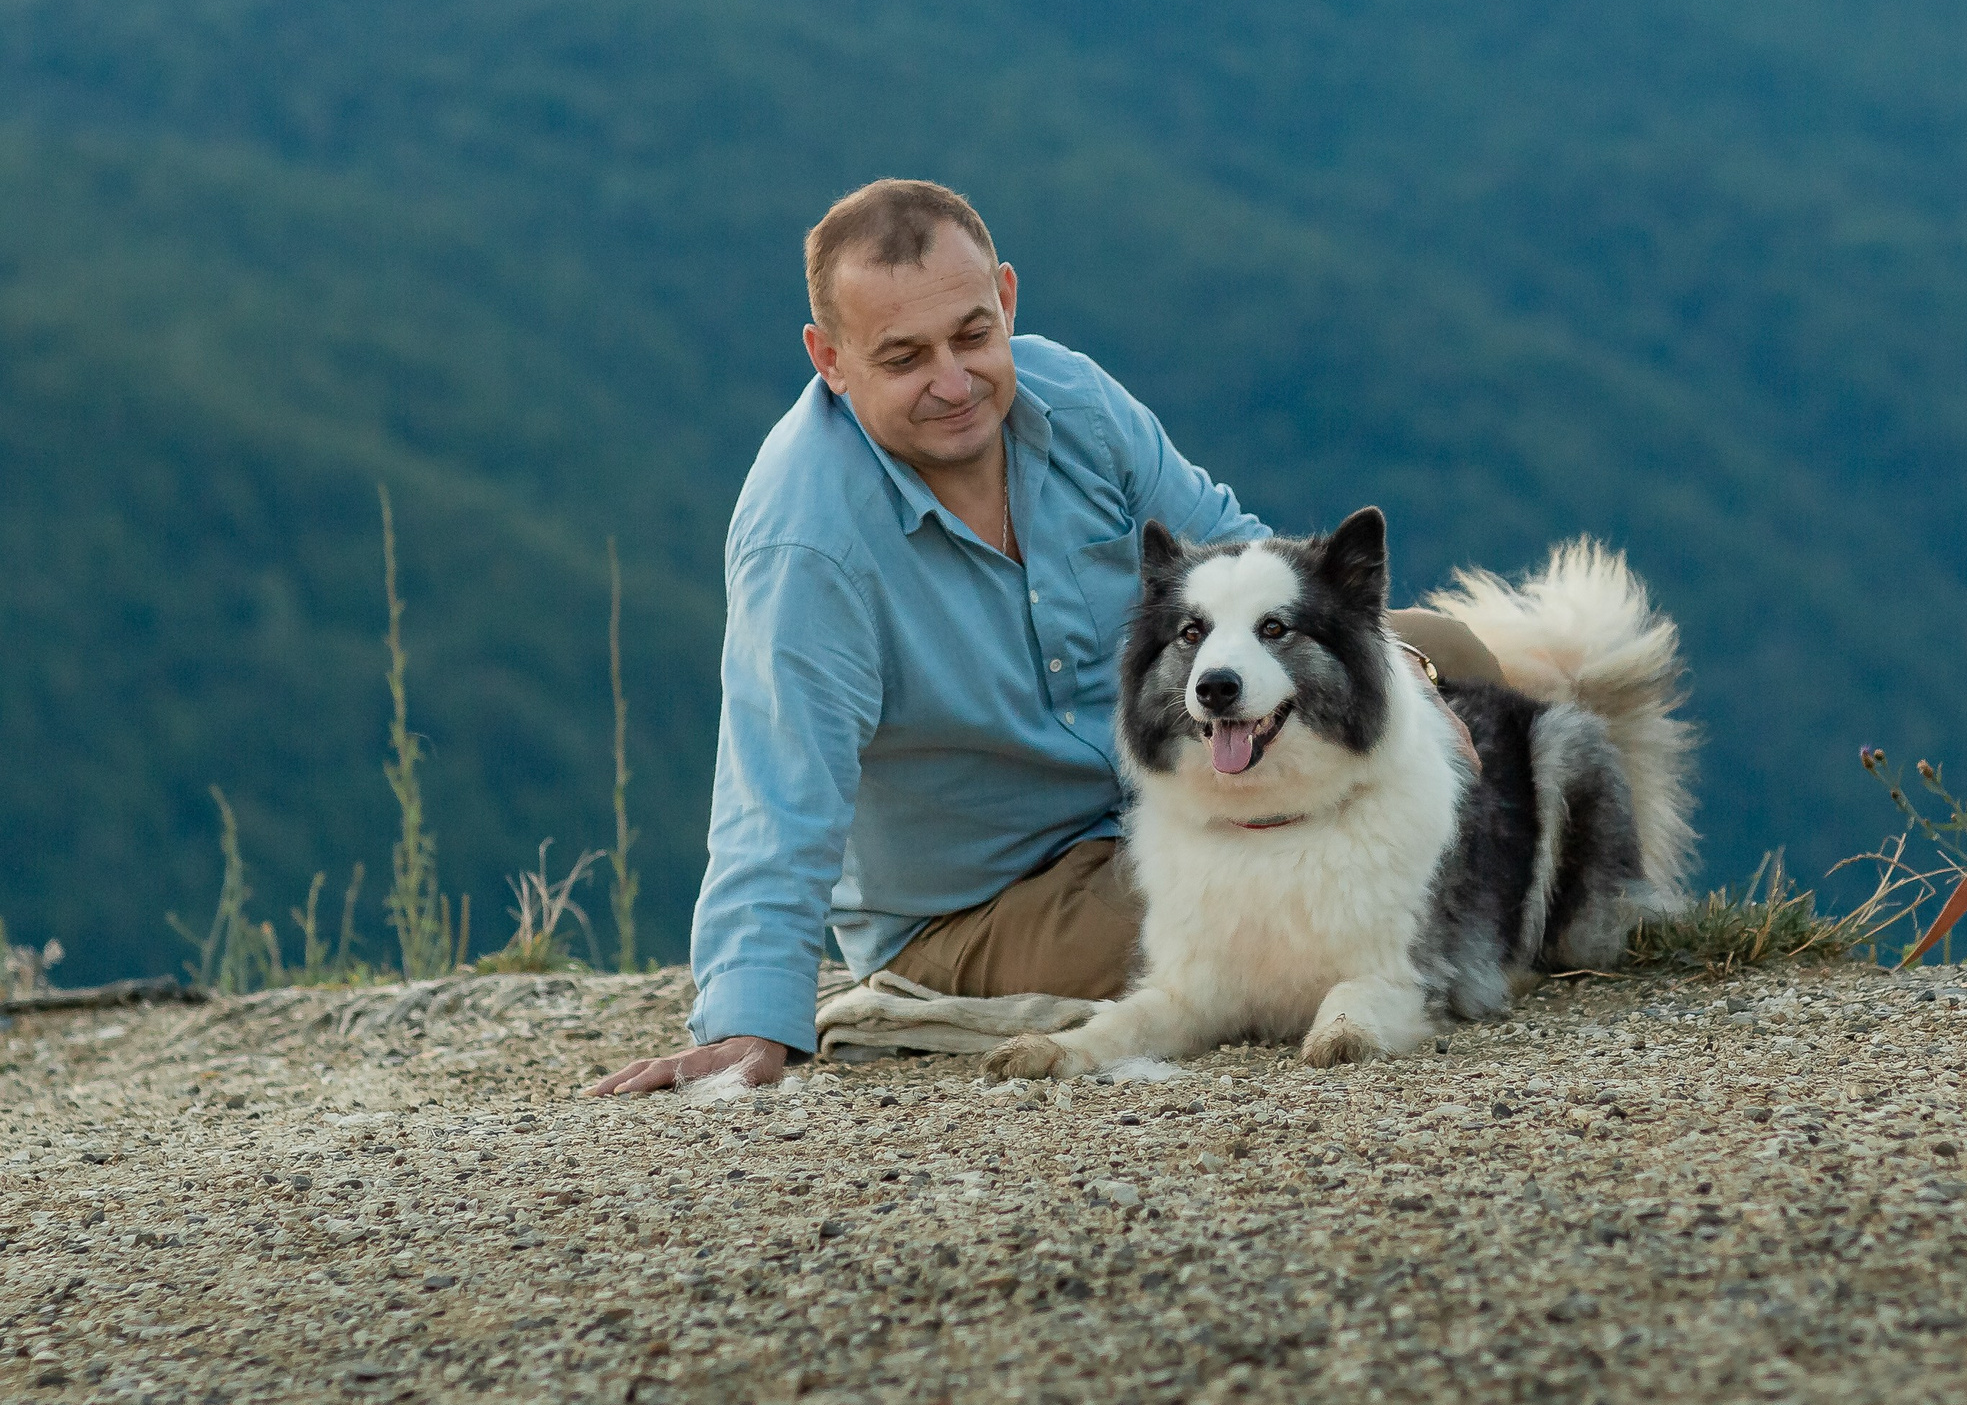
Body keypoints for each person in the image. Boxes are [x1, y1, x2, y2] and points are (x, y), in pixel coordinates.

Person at [590, 181, 1497, 1096]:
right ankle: (1440, 938)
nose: (953, 382)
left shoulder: (1075, 400)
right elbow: (778, 792)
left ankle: (1465, 895)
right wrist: (752, 1020)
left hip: (1166, 791)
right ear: (829, 358)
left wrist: (1407, 673)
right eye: (904, 357)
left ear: (1008, 301)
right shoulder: (807, 542)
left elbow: (1249, 563)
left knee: (1452, 652)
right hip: (989, 898)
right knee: (1247, 908)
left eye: (973, 336)